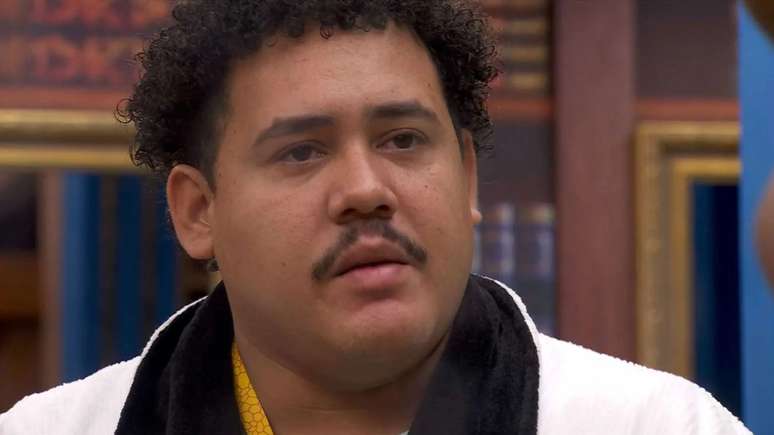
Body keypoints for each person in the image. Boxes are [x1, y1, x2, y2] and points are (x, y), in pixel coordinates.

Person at [0, 1, 750, 433]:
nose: (365, 189)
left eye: (403, 140)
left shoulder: (653, 424)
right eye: (301, 151)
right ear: (199, 211)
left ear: (466, 177)